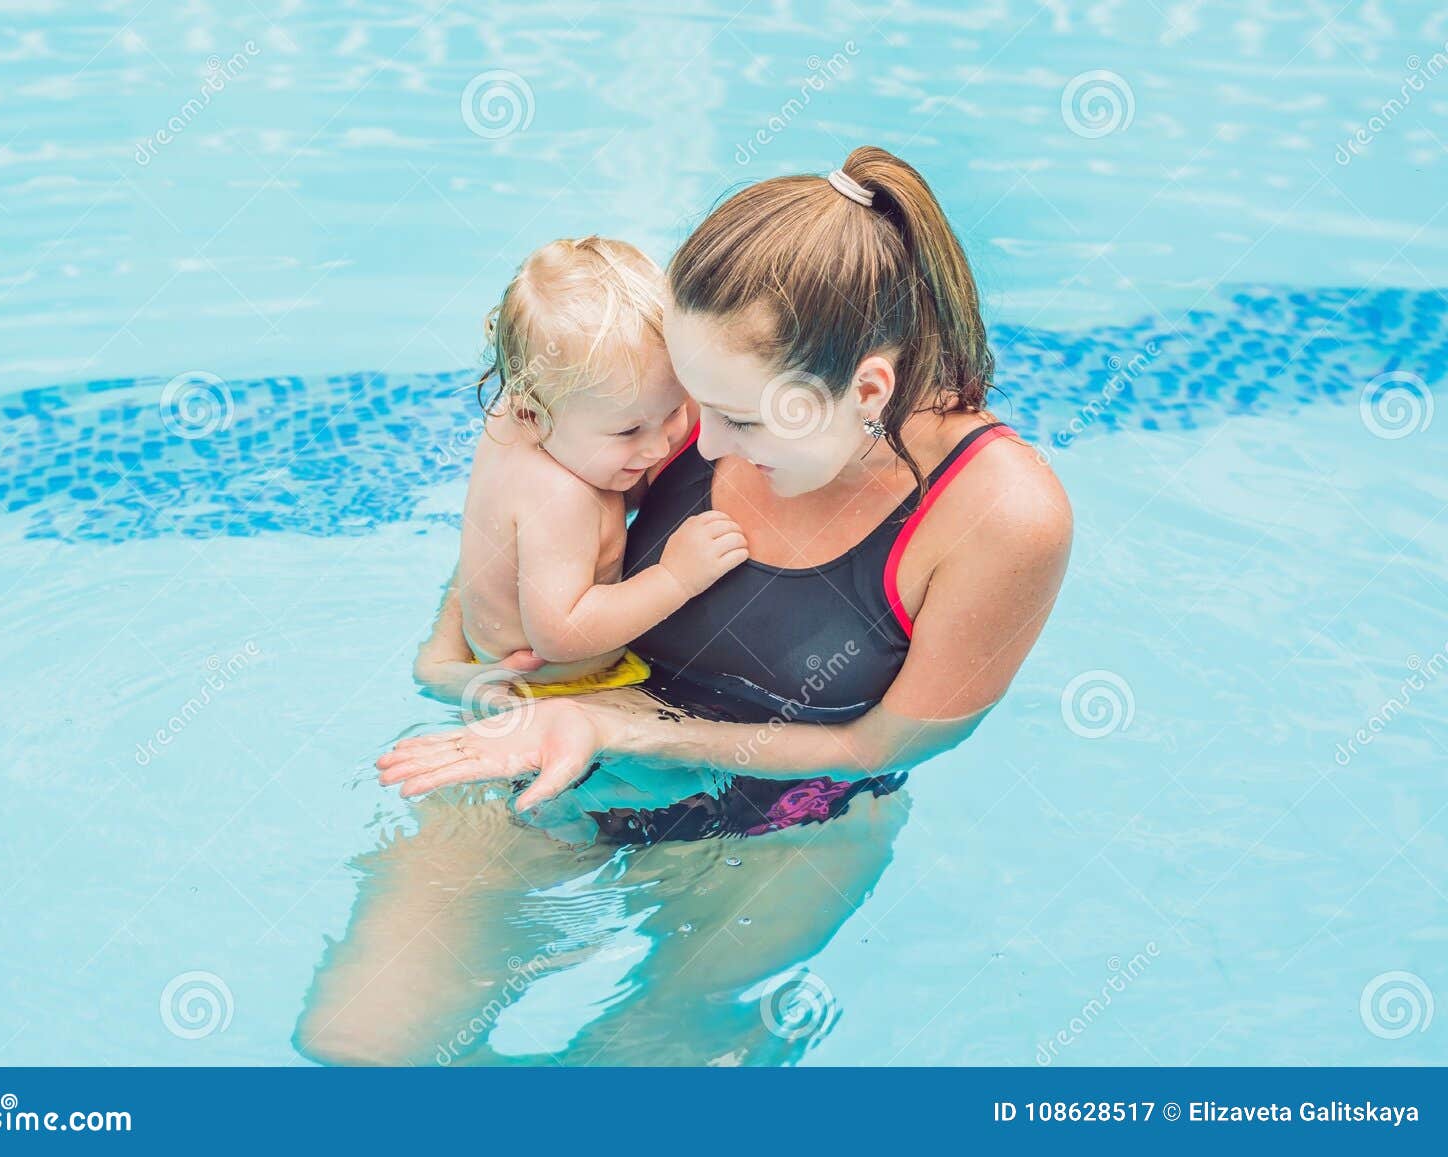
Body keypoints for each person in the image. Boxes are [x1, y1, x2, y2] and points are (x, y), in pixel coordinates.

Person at [296, 147, 1072, 1065]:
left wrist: (618, 728)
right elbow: (514, 522)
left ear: (868, 390)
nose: (695, 444)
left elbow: (885, 746)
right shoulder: (679, 387)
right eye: (691, 402)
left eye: (739, 420)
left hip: (783, 827)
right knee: (356, 1050)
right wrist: (456, 656)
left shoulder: (999, 514)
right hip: (563, 762)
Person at [456, 237, 748, 696]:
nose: (658, 447)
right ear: (534, 417)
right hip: (564, 689)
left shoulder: (526, 413)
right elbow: (560, 634)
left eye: (672, 411)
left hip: (490, 662)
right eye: (628, 432)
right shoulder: (561, 498)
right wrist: (675, 577)